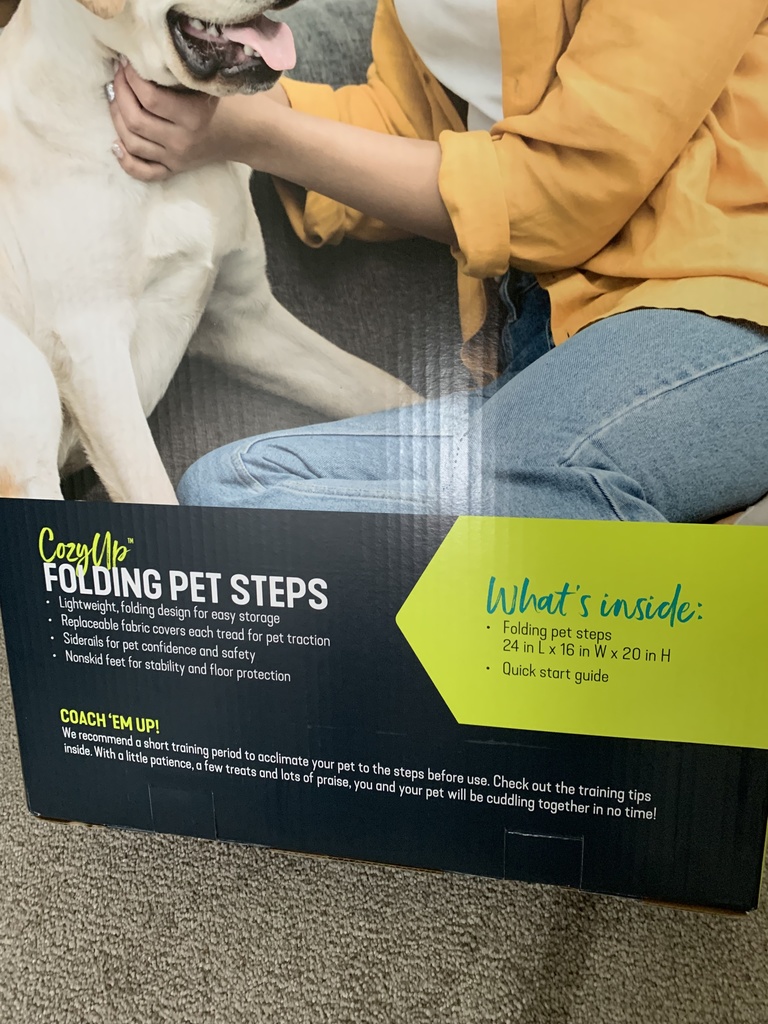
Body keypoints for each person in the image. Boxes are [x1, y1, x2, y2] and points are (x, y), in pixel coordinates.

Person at [108, 0, 768, 521]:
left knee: (258, 521)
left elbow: (568, 190)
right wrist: (244, 104)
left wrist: (257, 133)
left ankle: (700, 581)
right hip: (548, 340)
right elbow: (412, 124)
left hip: (716, 305)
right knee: (230, 492)